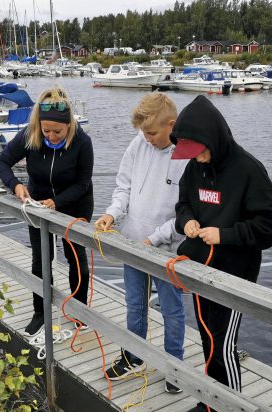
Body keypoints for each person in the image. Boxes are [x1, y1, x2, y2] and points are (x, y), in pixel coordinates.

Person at [172, 95, 272, 412]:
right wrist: (187, 221)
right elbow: (182, 204)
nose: (197, 157)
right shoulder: (194, 167)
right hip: (200, 268)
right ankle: (211, 398)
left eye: (200, 150)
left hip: (236, 273)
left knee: (223, 342)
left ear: (214, 139)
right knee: (207, 337)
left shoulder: (248, 170)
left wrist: (227, 235)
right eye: (191, 152)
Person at [95, 93, 188, 393]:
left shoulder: (187, 157)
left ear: (171, 125)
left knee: (172, 311)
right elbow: (124, 185)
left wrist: (157, 238)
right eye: (143, 133)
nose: (147, 138)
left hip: (167, 251)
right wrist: (112, 213)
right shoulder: (139, 143)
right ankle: (133, 357)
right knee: (134, 304)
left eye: (152, 133)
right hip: (133, 244)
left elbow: (185, 213)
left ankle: (175, 366)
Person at [0, 87, 93, 338]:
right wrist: (15, 185)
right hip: (38, 205)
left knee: (75, 258)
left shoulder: (82, 141)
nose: (52, 135)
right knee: (41, 259)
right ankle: (40, 311)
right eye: (46, 131)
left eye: (57, 131)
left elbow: (82, 183)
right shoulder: (30, 135)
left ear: (69, 125)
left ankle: (79, 310)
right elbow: (1, 161)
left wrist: (57, 202)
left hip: (74, 204)